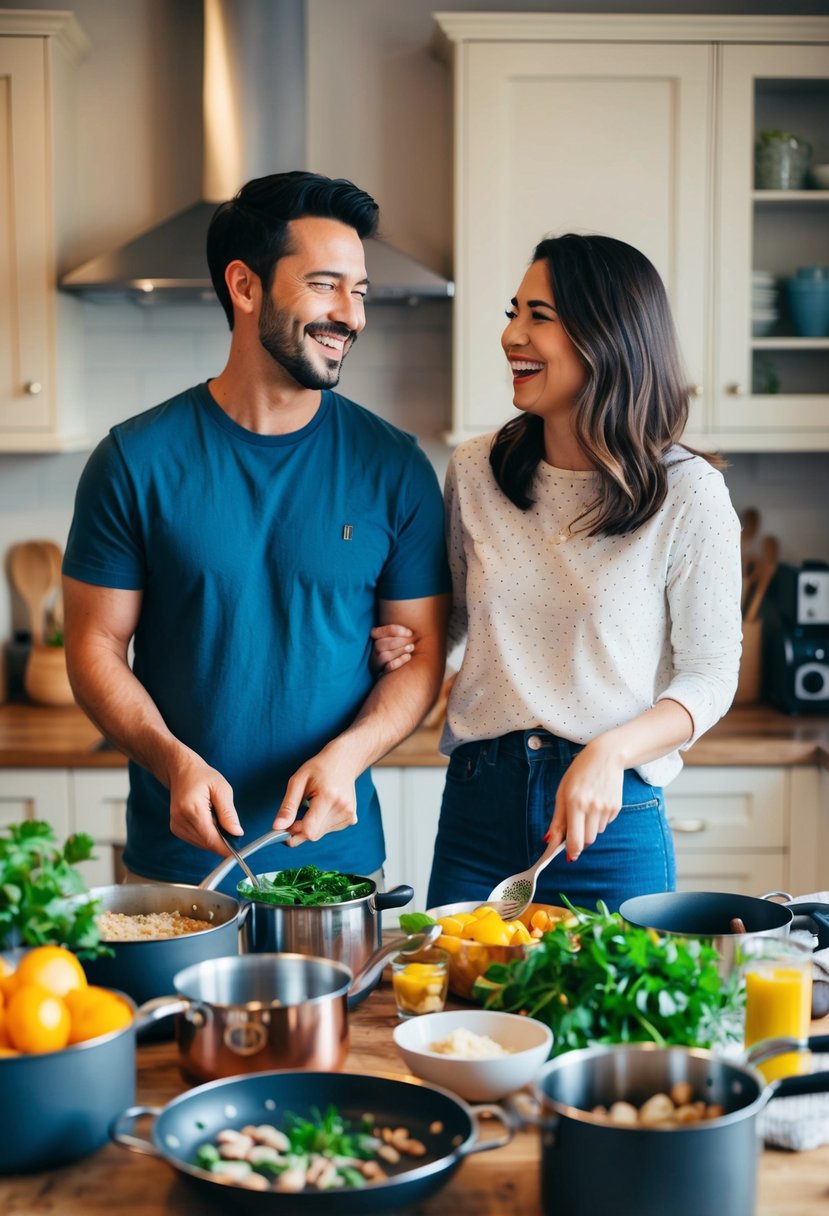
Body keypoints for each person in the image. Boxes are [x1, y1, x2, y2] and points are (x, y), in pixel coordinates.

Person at [62, 171, 450, 892]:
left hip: (336, 866)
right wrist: (171, 759)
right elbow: (94, 644)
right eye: (326, 285)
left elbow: (421, 654)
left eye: (359, 291)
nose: (352, 316)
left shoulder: (393, 465)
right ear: (245, 288)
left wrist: (352, 755)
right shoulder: (135, 460)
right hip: (176, 865)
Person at [373, 233, 742, 913]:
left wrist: (610, 751)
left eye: (538, 317)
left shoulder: (689, 492)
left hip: (610, 817)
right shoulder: (475, 470)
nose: (511, 334)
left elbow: (711, 675)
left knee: (616, 1021)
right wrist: (404, 642)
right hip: (477, 807)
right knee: (459, 1012)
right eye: (513, 312)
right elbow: (453, 623)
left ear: (608, 335)